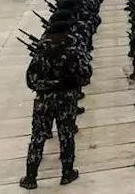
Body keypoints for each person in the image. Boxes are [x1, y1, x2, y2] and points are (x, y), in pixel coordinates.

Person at [21, 18, 89, 189]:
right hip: (66, 101)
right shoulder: (74, 52)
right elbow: (86, 74)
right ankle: (67, 173)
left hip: (44, 101)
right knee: (66, 135)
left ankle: (31, 177)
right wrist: (64, 84)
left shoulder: (41, 53)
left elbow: (31, 80)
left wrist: (49, 85)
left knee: (38, 137)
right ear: (66, 33)